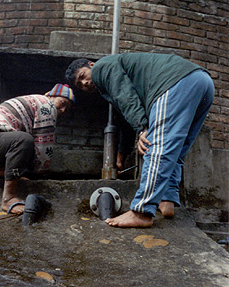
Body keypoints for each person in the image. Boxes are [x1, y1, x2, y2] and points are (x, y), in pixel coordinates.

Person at [65, 53, 214, 228]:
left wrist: (143, 128)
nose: (84, 84)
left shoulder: (102, 67)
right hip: (202, 82)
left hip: (174, 82)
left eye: (82, 77)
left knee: (155, 146)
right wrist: (121, 153)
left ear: (91, 65)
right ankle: (167, 200)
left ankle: (141, 211)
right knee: (175, 150)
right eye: (79, 85)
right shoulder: (113, 78)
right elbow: (126, 118)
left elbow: (125, 96)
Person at [0, 84, 75, 215]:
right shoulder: (46, 105)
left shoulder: (37, 102)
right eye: (62, 103)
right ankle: (8, 198)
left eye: (67, 108)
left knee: (22, 140)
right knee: (24, 140)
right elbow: (43, 143)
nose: (63, 109)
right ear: (50, 95)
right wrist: (41, 174)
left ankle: (2, 172)